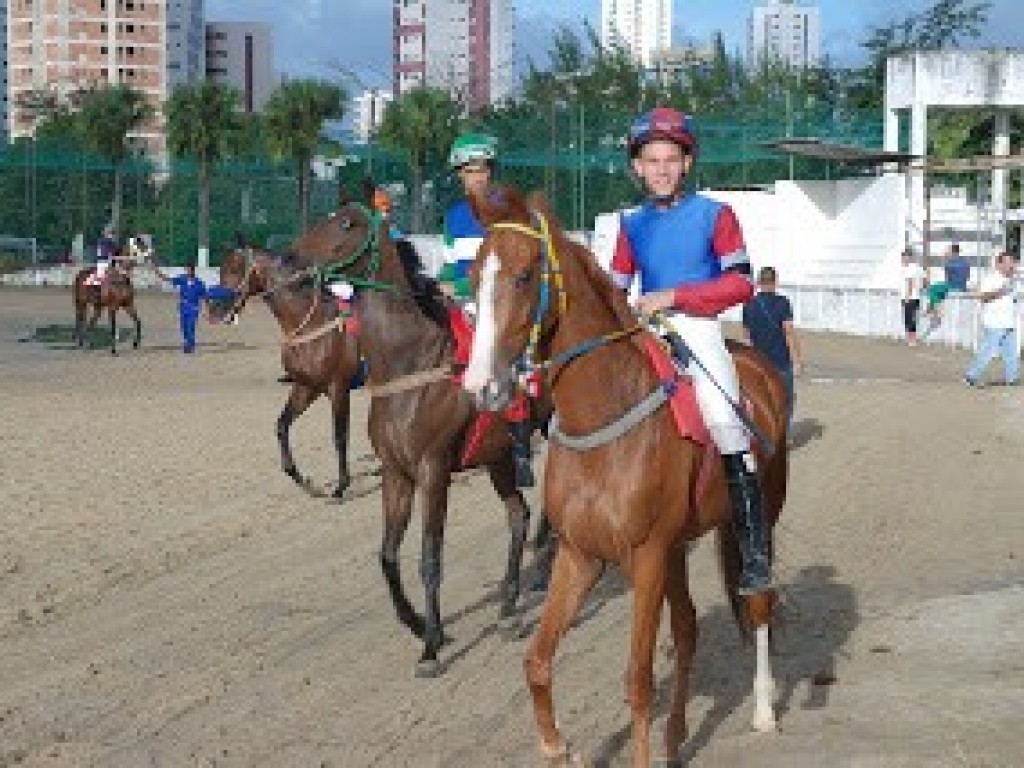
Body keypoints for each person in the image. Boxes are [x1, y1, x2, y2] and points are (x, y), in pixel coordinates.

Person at [611, 106, 771, 596]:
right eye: (651, 160)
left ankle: (753, 552)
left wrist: (677, 297)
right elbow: (616, 287)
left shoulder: (715, 215)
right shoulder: (629, 224)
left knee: (724, 417)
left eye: (670, 159)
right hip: (644, 327)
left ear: (687, 164)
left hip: (697, 326)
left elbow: (741, 283)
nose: (661, 169)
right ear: (637, 167)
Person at [742, 266, 804, 441]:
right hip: (781, 360)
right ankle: (782, 434)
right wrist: (797, 360)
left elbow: (747, 336)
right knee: (786, 399)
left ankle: (764, 434)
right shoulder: (783, 302)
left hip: (759, 362)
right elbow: (789, 331)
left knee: (762, 400)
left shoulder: (749, 304)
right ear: (775, 281)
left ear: (759, 282)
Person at [441, 132, 499, 304]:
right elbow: (451, 267)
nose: (478, 179)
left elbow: (506, 274)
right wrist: (433, 285)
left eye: (482, 171)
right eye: (470, 172)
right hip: (462, 309)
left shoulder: (506, 211)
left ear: (490, 172)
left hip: (499, 310)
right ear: (460, 174)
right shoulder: (452, 217)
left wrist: (458, 288)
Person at [964, 250, 1020, 387]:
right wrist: (1000, 292)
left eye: (1012, 262)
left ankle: (1011, 378)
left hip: (1009, 322)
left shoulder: (1012, 280)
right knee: (988, 351)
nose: (1011, 265)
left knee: (1011, 353)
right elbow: (982, 297)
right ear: (998, 264)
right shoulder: (991, 279)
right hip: (994, 322)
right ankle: (971, 377)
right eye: (1007, 262)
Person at [151, 261, 208, 354]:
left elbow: (205, 297)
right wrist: (156, 271)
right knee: (183, 327)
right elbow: (168, 279)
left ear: (193, 270)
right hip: (183, 307)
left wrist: (207, 311)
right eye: (187, 270)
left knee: (191, 326)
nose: (189, 271)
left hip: (193, 308)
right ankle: (186, 343)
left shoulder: (199, 283)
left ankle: (190, 345)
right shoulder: (182, 279)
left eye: (190, 270)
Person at [899, 247, 926, 346]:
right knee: (912, 318)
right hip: (916, 297)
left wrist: (907, 296)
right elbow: (924, 280)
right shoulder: (919, 268)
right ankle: (911, 339)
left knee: (908, 319)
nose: (903, 259)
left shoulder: (909, 269)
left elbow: (910, 282)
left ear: (909, 257)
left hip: (910, 297)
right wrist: (920, 289)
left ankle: (911, 339)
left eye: (904, 257)